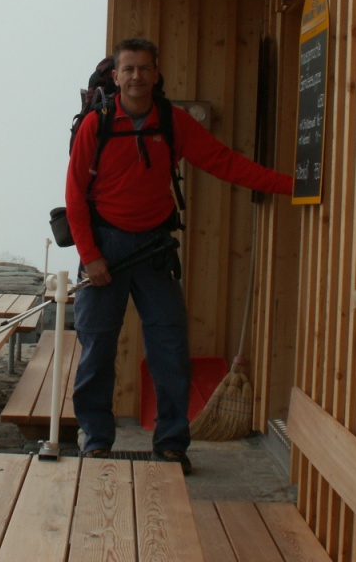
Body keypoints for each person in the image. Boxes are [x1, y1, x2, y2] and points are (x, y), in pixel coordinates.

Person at [65, 37, 293, 474]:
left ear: (156, 73)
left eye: (144, 68)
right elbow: (75, 196)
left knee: (170, 348)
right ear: (117, 77)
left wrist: (290, 186)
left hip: (153, 248)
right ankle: (95, 441)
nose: (136, 76)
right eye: (128, 69)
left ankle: (170, 444)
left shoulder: (172, 122)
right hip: (104, 248)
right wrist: (90, 256)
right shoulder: (97, 124)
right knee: (97, 350)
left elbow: (226, 163)